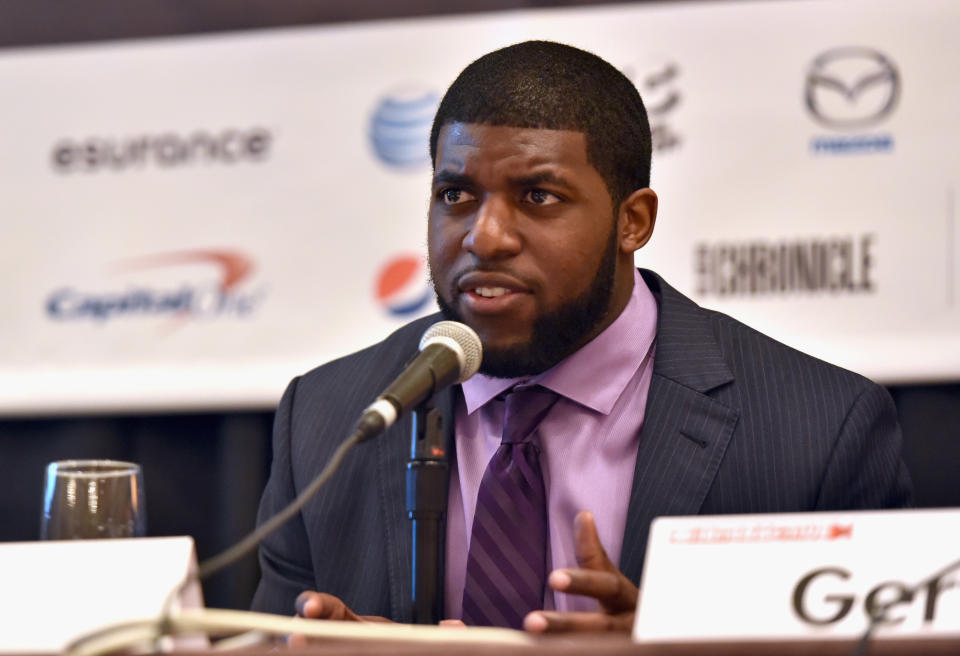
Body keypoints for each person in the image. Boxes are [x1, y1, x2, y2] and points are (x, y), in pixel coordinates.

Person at [251, 40, 912, 633]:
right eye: (456, 195)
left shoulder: (818, 429)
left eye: (537, 196)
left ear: (633, 221)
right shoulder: (328, 420)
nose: (485, 236)